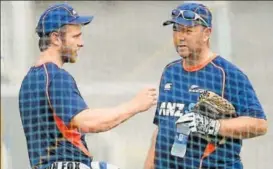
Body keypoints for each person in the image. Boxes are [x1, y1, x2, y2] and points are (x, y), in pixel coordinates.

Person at [18, 3, 157, 169]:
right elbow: (88, 122)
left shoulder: (30, 79)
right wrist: (134, 105)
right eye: (75, 36)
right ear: (55, 38)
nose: (81, 43)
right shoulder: (56, 77)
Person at [144, 2, 267, 169]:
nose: (180, 37)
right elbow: (161, 129)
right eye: (176, 30)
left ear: (206, 33)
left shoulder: (225, 73)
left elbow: (259, 125)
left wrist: (213, 126)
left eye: (188, 31)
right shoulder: (170, 72)